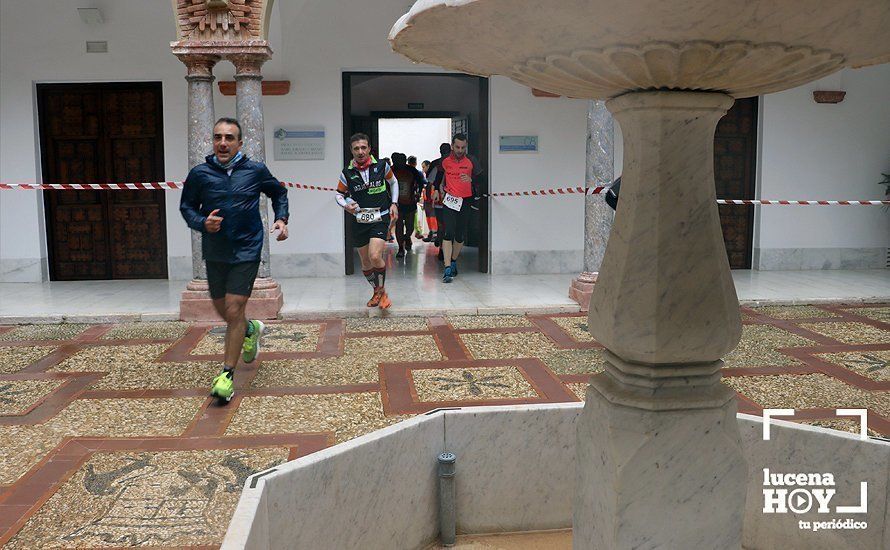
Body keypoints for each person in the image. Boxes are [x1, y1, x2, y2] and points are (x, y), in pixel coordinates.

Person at [179, 117, 289, 404]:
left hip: (247, 248)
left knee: (234, 306)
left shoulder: (255, 170)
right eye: (218, 137)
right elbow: (186, 207)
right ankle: (250, 329)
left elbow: (279, 192)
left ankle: (227, 375)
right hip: (216, 250)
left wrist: (281, 219)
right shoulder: (200, 174)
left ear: (240, 143)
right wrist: (203, 222)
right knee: (223, 310)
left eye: (229, 137)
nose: (223, 143)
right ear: (213, 142)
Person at [336, 133, 398, 309]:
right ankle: (378, 291)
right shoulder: (347, 173)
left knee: (375, 255)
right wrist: (346, 205)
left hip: (380, 216)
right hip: (359, 220)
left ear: (369, 149)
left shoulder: (382, 166)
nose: (360, 151)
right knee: (365, 262)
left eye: (364, 147)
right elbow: (339, 195)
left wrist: (394, 203)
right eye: (356, 148)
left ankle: (381, 291)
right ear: (351, 151)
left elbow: (393, 183)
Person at [439, 133, 482, 283]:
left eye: (463, 147)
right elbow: (437, 178)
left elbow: (482, 179)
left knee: (460, 234)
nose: (460, 150)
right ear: (452, 146)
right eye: (457, 147)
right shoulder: (444, 161)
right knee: (448, 232)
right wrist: (437, 190)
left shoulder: (472, 160)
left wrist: (472, 180)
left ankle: (453, 259)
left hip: (466, 201)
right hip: (450, 201)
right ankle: (447, 268)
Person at [391, 152, 425, 258]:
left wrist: (418, 193)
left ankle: (406, 237)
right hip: (397, 205)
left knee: (410, 227)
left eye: (402, 160)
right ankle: (400, 248)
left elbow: (421, 182)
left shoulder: (411, 170)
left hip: (410, 203)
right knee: (399, 226)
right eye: (397, 160)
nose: (399, 163)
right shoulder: (390, 170)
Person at [427, 142, 451, 258]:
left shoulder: (435, 164)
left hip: (441, 201)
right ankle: (445, 249)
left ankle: (443, 249)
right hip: (449, 200)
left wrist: (428, 198)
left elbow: (429, 182)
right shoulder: (439, 165)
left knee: (442, 226)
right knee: (448, 226)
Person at [420, 160, 438, 242]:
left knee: (433, 216)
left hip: (432, 200)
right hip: (427, 200)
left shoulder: (433, 175)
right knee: (428, 217)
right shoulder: (427, 177)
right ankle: (431, 233)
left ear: (428, 166)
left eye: (424, 167)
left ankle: (435, 234)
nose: (423, 169)